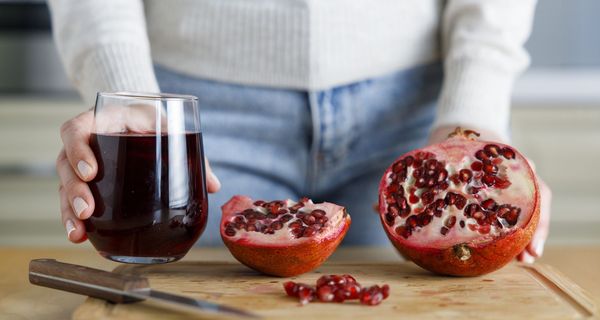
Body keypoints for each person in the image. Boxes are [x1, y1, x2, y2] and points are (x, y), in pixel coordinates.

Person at [49, 0, 550, 262]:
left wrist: (471, 121)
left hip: (414, 113)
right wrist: (128, 99)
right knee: (165, 302)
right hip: (187, 117)